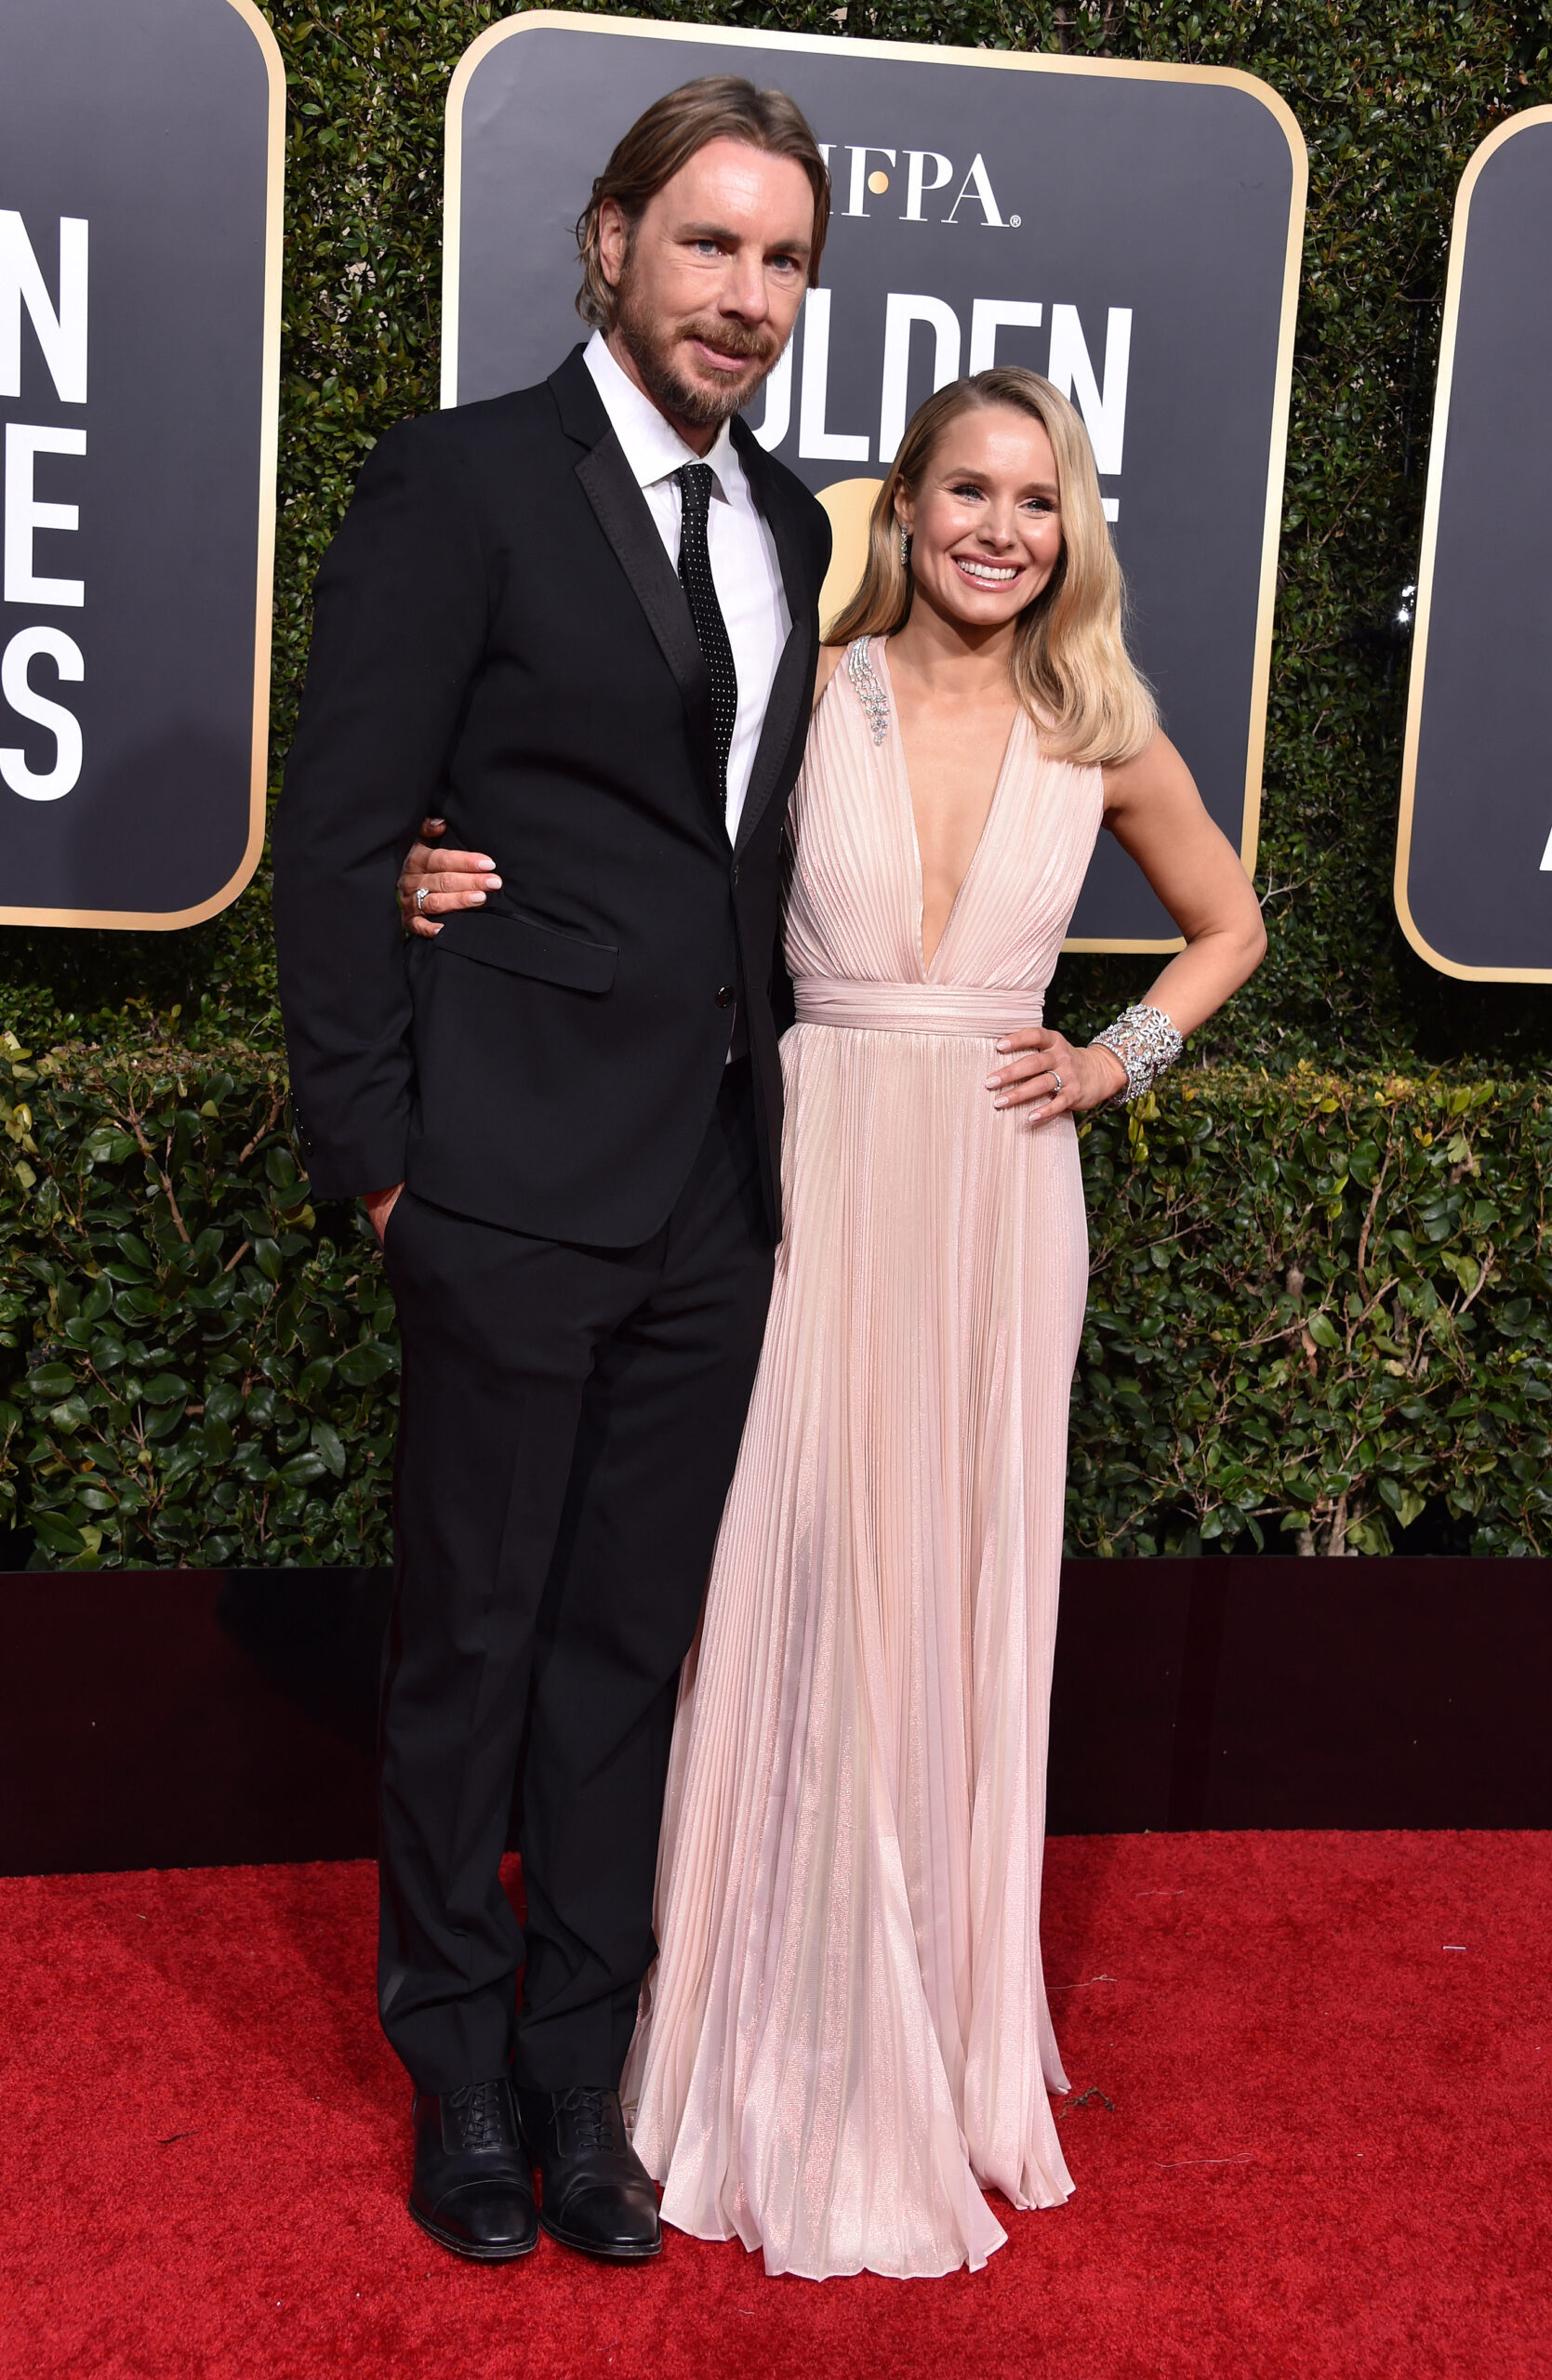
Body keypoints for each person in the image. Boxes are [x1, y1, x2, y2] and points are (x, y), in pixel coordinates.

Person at [399, 365, 1267, 2279]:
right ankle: (724, 2035)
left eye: (1035, 500)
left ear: (1072, 530)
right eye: (965, 488)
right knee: (776, 1592)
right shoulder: (810, 690)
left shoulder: (1102, 727)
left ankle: (921, 2038)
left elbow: (1230, 923)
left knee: (944, 1605)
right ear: (909, 504)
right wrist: (433, 860)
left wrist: (1113, 1060)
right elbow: (634, 839)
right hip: (799, 1183)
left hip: (992, 1201)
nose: (997, 528)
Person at [272, 77, 834, 2268]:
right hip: (499, 1181)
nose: (745, 295)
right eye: (708, 244)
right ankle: (462, 2068)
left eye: (781, 261)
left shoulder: (793, 528)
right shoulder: (463, 477)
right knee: (474, 1650)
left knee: (623, 1654)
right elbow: (343, 833)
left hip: (712, 1186)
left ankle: (585, 2084)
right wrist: (379, 1162)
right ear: (608, 241)